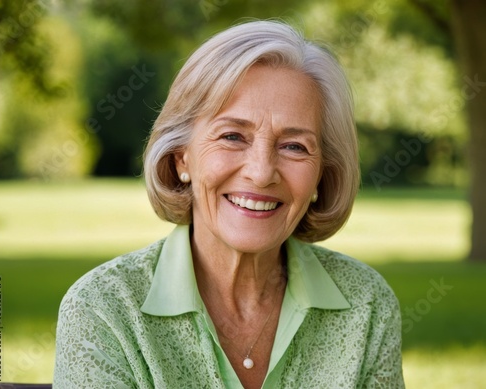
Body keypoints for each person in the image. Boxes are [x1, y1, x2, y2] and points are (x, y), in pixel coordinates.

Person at [54, 20, 404, 388]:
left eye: (294, 146)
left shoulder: (366, 303)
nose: (261, 172)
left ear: (322, 173)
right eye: (233, 136)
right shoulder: (102, 308)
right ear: (181, 158)